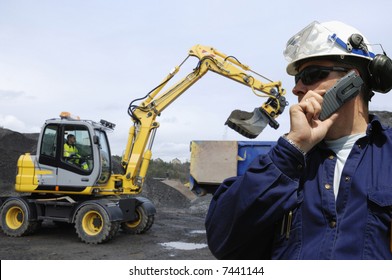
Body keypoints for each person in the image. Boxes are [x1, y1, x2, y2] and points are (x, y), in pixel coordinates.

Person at [205, 20, 392, 259]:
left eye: (311, 74)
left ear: (352, 81)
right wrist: (292, 149)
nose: (297, 89)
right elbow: (222, 240)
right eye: (297, 79)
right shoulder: (283, 164)